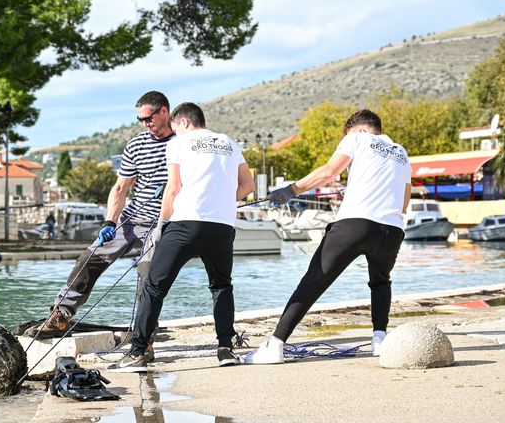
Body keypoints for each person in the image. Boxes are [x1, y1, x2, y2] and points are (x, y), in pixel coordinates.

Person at [246, 109, 411, 364]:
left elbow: (328, 172)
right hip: (391, 231)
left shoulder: (357, 138)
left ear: (358, 129)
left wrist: (290, 190)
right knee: (381, 282)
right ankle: (379, 339)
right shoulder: (401, 152)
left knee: (313, 281)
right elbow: (404, 199)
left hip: (355, 223)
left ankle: (275, 345)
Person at [23, 91, 176, 350]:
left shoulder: (182, 143)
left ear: (164, 111)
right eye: (140, 120)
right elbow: (120, 188)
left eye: (148, 118)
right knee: (90, 258)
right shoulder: (137, 144)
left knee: (147, 274)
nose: (145, 124)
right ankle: (61, 315)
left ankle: (144, 336)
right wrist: (109, 222)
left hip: (162, 222)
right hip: (131, 219)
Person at [110, 102, 255, 371]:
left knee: (154, 286)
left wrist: (162, 224)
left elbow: (173, 188)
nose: (174, 131)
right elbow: (248, 186)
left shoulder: (178, 143)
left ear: (184, 122)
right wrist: (220, 200)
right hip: (222, 227)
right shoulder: (229, 143)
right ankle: (226, 349)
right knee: (221, 286)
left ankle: (137, 353)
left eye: (175, 127)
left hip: (186, 223)